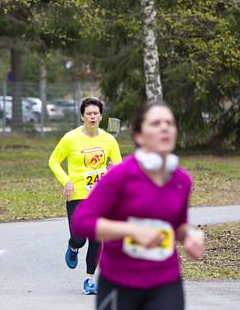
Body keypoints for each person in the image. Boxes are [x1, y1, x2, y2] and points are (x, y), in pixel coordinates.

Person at [71, 102, 204, 309]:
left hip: (166, 281)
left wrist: (189, 236)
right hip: (119, 282)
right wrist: (131, 231)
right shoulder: (120, 176)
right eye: (156, 123)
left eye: (169, 123)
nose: (164, 128)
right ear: (139, 136)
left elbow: (179, 224)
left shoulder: (181, 180)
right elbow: (81, 222)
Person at [48, 97, 122, 294]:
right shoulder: (70, 138)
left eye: (95, 113)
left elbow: (119, 166)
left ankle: (89, 279)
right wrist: (66, 181)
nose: (92, 116)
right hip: (77, 195)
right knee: (80, 237)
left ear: (101, 116)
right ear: (82, 116)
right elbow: (53, 161)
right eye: (88, 113)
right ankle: (73, 247)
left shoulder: (108, 140)